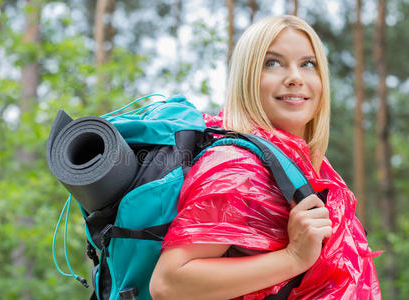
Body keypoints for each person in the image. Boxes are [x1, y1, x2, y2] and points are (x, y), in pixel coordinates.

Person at [149, 15, 381, 300]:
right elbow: (168, 284)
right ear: (247, 78)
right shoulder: (236, 167)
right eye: (272, 63)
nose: (295, 77)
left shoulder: (307, 165)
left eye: (308, 63)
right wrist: (293, 257)